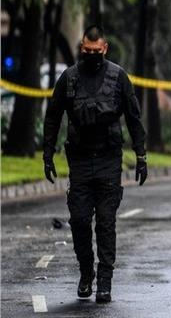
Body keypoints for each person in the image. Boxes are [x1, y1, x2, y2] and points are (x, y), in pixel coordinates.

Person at [43, 25, 147, 303]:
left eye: (96, 51)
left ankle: (105, 281)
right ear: (81, 48)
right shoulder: (69, 78)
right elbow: (53, 116)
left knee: (105, 222)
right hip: (79, 159)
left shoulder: (118, 77)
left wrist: (141, 155)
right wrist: (47, 153)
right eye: (87, 50)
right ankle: (86, 271)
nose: (91, 55)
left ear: (105, 48)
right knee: (79, 220)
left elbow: (133, 117)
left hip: (108, 159)